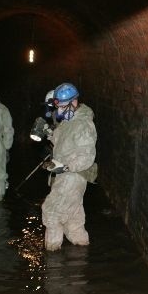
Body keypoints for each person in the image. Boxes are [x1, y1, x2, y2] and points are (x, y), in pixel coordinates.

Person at [40, 83, 97, 251]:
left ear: (74, 102)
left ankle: (52, 255)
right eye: (58, 106)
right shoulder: (69, 119)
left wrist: (64, 167)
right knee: (73, 215)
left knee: (51, 211)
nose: (59, 111)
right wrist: (48, 132)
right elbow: (62, 140)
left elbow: (86, 157)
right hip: (66, 174)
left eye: (63, 106)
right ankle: (81, 247)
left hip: (73, 175)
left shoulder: (83, 124)